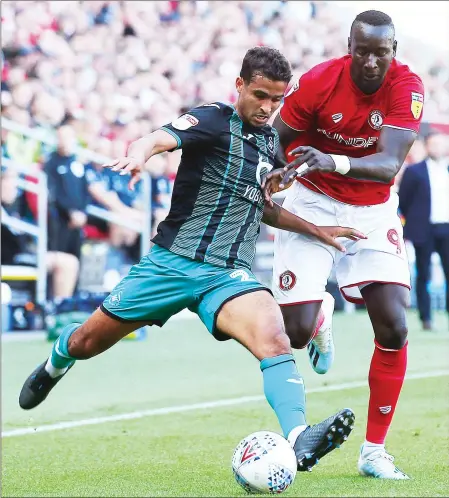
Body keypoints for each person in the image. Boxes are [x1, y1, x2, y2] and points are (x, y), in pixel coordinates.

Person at [19, 47, 364, 472]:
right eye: (260, 95)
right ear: (240, 86)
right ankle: (57, 359)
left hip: (228, 275)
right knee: (86, 343)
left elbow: (263, 205)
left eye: (277, 99)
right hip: (170, 265)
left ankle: (298, 438)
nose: (268, 107)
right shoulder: (214, 118)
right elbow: (160, 138)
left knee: (273, 338)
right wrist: (140, 153)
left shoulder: (272, 143)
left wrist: (318, 231)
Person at [263, 11, 424, 479]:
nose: (372, 62)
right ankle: (318, 317)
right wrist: (277, 173)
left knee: (394, 326)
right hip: (312, 202)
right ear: (349, 46)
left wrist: (330, 158)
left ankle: (374, 451)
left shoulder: (406, 86)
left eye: (382, 52)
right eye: (363, 51)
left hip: (373, 211)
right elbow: (278, 140)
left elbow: (389, 163)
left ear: (394, 49)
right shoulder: (318, 82)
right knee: (293, 333)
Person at [399, 130, 449, 331]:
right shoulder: (415, 171)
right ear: (427, 146)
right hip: (424, 229)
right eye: (433, 144)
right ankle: (426, 318)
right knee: (424, 274)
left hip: (446, 227)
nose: (437, 147)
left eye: (441, 144)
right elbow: (403, 200)